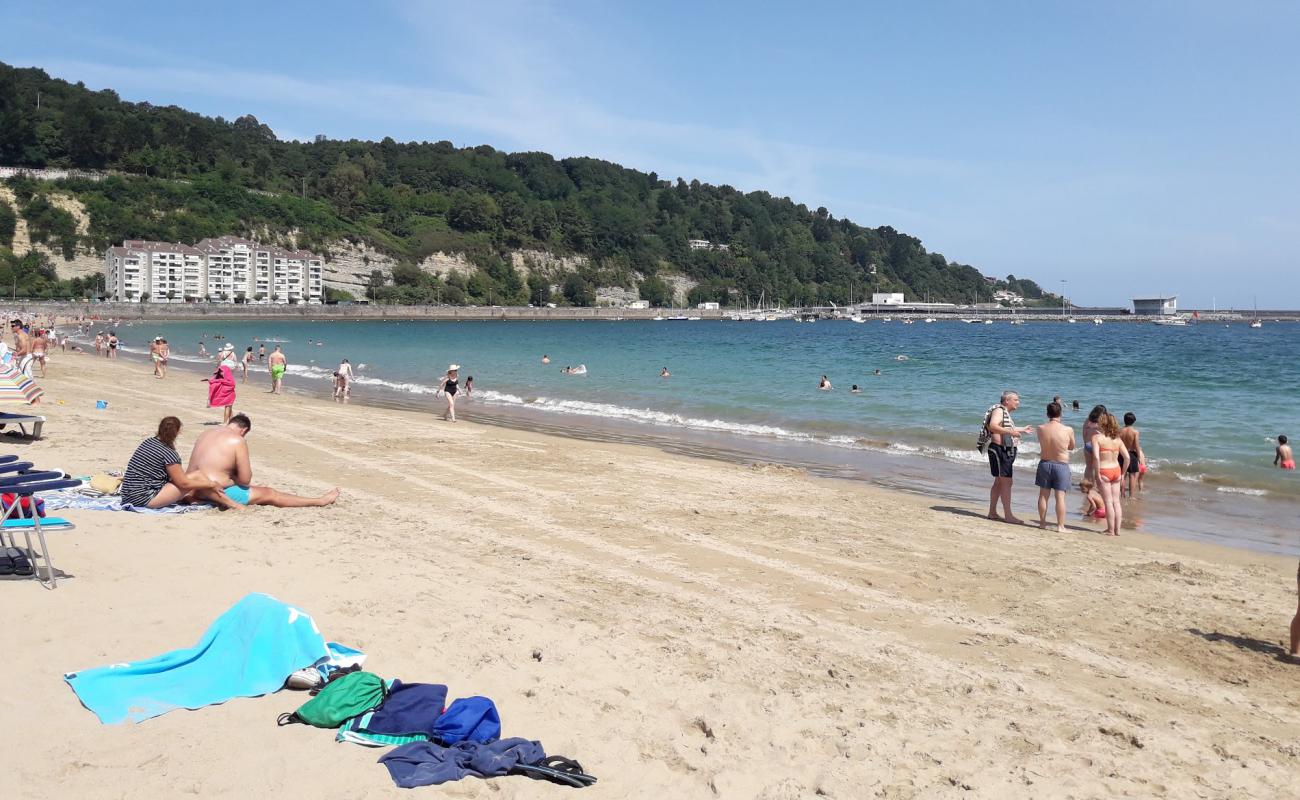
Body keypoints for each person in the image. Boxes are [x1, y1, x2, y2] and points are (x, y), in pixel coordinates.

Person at [187, 414, 339, 508]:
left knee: (251, 488)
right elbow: (245, 480)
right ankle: (319, 501)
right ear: (244, 430)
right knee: (270, 494)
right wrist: (233, 478)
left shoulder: (206, 433)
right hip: (212, 491)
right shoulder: (237, 440)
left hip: (191, 487)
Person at [120, 416, 239, 510]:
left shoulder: (148, 442)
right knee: (197, 476)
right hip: (144, 499)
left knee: (196, 477)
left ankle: (196, 499)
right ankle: (232, 504)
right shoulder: (169, 454)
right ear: (177, 432)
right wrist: (212, 484)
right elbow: (183, 484)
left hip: (127, 495)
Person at [983, 390, 1034, 524]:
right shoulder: (999, 410)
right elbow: (993, 426)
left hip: (1003, 451)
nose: (1018, 402)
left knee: (1000, 482)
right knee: (1006, 482)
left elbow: (1003, 427)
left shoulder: (1004, 413)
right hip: (1000, 450)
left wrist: (1021, 429)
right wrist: (1012, 432)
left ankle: (992, 512)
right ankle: (1008, 515)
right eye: (1016, 400)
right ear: (1007, 401)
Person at [1034, 401, 1076, 532]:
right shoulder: (1068, 429)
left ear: (1047, 414)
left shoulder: (1040, 428)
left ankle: (1042, 523)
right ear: (1061, 413)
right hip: (1061, 464)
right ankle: (1060, 526)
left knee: (1043, 495)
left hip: (1045, 463)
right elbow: (1071, 446)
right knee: (1060, 497)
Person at [1090, 413, 1128, 536]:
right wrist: (1123, 474)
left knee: (1108, 502)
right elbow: (1127, 458)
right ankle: (1117, 530)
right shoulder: (1117, 439)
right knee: (1116, 502)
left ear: (1102, 423)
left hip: (1104, 470)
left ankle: (1110, 530)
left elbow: (1096, 456)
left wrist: (1096, 474)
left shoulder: (1097, 438)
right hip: (1116, 470)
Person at [1119, 412, 1146, 497]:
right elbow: (1136, 446)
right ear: (1133, 421)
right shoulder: (1135, 432)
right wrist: (1138, 457)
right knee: (1133, 475)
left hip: (1121, 454)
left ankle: (1122, 494)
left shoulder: (1120, 431)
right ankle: (1131, 496)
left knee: (1123, 475)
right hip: (1131, 454)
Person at [204, 359, 237, 425]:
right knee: (229, 408)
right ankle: (232, 421)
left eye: (222, 371)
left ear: (226, 371)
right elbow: (218, 380)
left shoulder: (228, 379)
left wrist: (212, 381)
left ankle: (225, 422)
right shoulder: (225, 379)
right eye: (221, 371)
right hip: (229, 395)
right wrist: (210, 380)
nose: (221, 373)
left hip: (230, 396)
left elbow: (228, 383)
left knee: (228, 408)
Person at [1082, 405, 1108, 484]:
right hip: (1097, 445)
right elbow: (1105, 434)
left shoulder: (1087, 420)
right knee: (1097, 467)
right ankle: (1095, 485)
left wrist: (1085, 442)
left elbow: (1084, 432)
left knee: (1088, 466)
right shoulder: (1103, 421)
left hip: (1087, 444)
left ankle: (1086, 483)